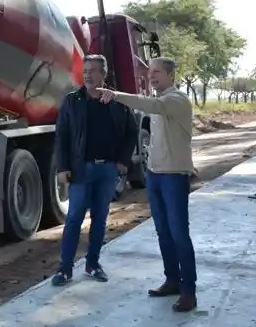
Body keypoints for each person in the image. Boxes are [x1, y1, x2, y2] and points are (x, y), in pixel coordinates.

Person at [96, 57, 198, 313]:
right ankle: (172, 280)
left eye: (158, 73)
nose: (152, 76)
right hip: (155, 175)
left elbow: (152, 104)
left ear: (172, 75)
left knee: (179, 234)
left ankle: (189, 292)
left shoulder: (175, 100)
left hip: (174, 176)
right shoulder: (161, 101)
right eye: (150, 72)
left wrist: (116, 94)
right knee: (163, 232)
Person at [52, 54, 138, 287]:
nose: (88, 75)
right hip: (82, 170)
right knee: (74, 219)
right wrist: (62, 167)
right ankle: (65, 269)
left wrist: (123, 160)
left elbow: (132, 131)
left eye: (93, 70)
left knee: (100, 219)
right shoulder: (73, 101)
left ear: (104, 74)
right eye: (85, 70)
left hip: (107, 170)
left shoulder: (117, 101)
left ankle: (93, 264)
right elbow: (62, 135)